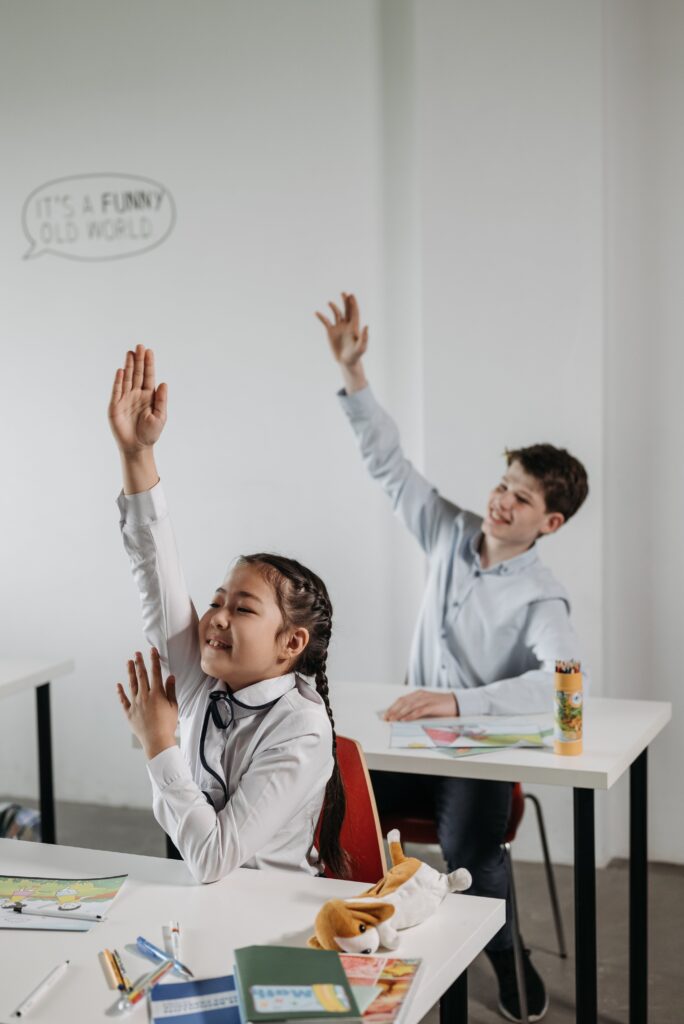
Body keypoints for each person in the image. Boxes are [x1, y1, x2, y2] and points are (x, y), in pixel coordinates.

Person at [316, 294, 589, 1023]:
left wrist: (459, 703)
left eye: (521, 499)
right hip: (411, 738)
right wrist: (354, 372)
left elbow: (565, 687)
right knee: (333, 788)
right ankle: (362, 947)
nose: (501, 502)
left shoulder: (542, 595)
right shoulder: (449, 529)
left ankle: (505, 959)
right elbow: (388, 464)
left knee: (470, 856)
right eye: (503, 486)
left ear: (549, 522)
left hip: (477, 750)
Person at [108, 345, 346, 884]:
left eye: (242, 608)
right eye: (217, 600)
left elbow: (215, 860)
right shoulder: (207, 680)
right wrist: (135, 453)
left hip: (265, 912)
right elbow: (155, 570)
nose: (216, 616)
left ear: (291, 644)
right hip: (192, 903)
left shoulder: (301, 728)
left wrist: (159, 743)